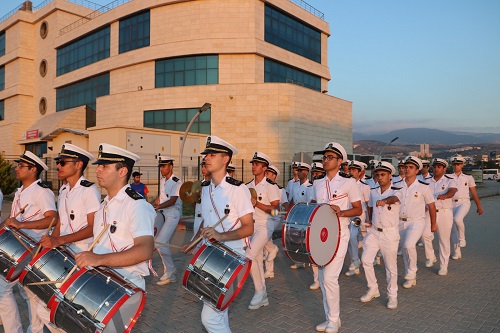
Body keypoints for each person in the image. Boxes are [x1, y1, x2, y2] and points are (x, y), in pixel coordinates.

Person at [182, 135, 254, 333]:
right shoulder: (205, 189)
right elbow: (207, 220)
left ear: (225, 159)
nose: (206, 158)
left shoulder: (238, 189)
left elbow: (249, 227)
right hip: (211, 255)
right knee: (219, 313)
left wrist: (221, 236)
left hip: (231, 255)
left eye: (212, 154)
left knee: (210, 318)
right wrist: (194, 241)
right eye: (206, 154)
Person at [74, 143, 155, 290]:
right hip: (103, 279)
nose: (97, 170)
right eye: (99, 166)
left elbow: (145, 250)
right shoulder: (103, 206)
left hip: (126, 284)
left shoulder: (136, 204)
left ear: (122, 171)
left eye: (105, 166)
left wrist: (99, 259)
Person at [2, 151, 57, 333]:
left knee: (29, 297)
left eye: (21, 166)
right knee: (22, 295)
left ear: (33, 169)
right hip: (16, 249)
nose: (16, 169)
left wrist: (21, 224)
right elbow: (12, 219)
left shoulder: (42, 192)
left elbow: (53, 219)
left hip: (31, 250)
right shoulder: (20, 192)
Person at [310, 142, 362, 333]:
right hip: (321, 235)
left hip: (340, 233)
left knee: (330, 277)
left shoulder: (349, 182)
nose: (325, 160)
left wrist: (341, 212)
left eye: (330, 157)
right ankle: (331, 318)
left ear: (340, 161)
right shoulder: (317, 182)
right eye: (324, 157)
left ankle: (333, 319)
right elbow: (314, 207)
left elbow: (358, 209)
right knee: (323, 278)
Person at [361, 161, 401, 309]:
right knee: (365, 260)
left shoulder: (397, 189)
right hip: (374, 231)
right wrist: (370, 221)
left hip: (389, 234)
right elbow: (370, 207)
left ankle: (392, 296)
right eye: (377, 175)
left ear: (390, 175)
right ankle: (373, 288)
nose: (380, 177)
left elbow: (394, 199)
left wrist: (384, 201)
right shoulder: (373, 191)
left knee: (390, 267)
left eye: (383, 174)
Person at [245, 152, 281, 310]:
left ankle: (259, 292)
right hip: (251, 225)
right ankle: (263, 295)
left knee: (249, 255)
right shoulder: (247, 186)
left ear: (265, 168)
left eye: (257, 164)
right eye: (253, 163)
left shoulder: (270, 186)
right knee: (257, 260)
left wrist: (256, 204)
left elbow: (275, 211)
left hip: (265, 225)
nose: (254, 166)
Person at [398, 156, 436, 289]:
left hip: (417, 221)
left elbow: (431, 206)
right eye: (406, 167)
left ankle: (412, 271)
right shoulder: (396, 186)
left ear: (417, 171)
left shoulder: (423, 187)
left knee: (409, 245)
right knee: (404, 248)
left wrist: (433, 224)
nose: (407, 169)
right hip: (400, 222)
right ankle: (410, 277)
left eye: (411, 167)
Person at [153, 155, 182, 285]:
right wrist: (151, 205)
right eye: (160, 166)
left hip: (173, 214)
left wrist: (159, 206)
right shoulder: (163, 180)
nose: (162, 169)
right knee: (155, 241)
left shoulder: (177, 182)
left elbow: (172, 200)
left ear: (170, 166)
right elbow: (161, 198)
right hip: (163, 212)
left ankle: (170, 270)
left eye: (164, 166)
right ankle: (170, 274)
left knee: (161, 242)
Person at [448, 155, 483, 260]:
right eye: (454, 164)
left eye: (458, 164)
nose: (456, 166)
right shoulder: (448, 177)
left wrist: (479, 206)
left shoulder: (468, 177)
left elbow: (474, 193)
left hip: (464, 202)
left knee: (457, 219)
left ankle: (462, 238)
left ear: (462, 165)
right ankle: (456, 251)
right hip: (451, 204)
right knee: (453, 229)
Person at [426, 158, 457, 275]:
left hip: (444, 212)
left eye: (439, 167)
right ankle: (431, 256)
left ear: (444, 169)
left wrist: (446, 196)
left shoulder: (450, 180)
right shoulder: (427, 181)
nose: (436, 169)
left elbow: (452, 191)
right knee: (425, 235)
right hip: (429, 212)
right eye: (435, 166)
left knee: (443, 240)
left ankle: (443, 266)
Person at [345, 161, 370, 277]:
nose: (351, 172)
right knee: (350, 238)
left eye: (354, 170)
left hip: (359, 215)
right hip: (347, 214)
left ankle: (363, 260)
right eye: (350, 170)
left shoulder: (364, 186)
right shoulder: (345, 185)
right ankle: (354, 262)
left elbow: (368, 203)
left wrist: (370, 218)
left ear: (360, 172)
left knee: (356, 237)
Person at [263, 165, 286, 279]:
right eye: (266, 172)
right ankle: (269, 270)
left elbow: (284, 205)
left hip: (274, 217)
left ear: (274, 176)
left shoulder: (280, 190)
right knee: (266, 241)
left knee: (265, 238)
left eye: (269, 173)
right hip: (264, 217)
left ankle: (273, 249)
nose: (266, 175)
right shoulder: (263, 187)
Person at [417, 159, 433, 248]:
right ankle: (425, 240)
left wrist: (427, 206)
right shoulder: (416, 178)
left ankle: (428, 239)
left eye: (424, 167)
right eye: (421, 167)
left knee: (427, 227)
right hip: (420, 206)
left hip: (429, 206)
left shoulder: (431, 179)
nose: (422, 169)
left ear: (428, 168)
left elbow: (431, 194)